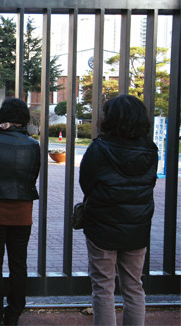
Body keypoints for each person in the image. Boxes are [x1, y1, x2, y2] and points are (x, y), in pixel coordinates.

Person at [80, 94, 158, 325]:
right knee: (134, 285)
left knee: (103, 286)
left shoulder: (99, 148)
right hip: (137, 227)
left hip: (102, 226)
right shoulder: (150, 150)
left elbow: (87, 184)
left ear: (110, 118)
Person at [0, 98, 40, 325]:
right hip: (23, 211)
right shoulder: (34, 145)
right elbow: (33, 176)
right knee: (18, 263)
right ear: (24, 119)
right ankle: (13, 315)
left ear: (2, 117)